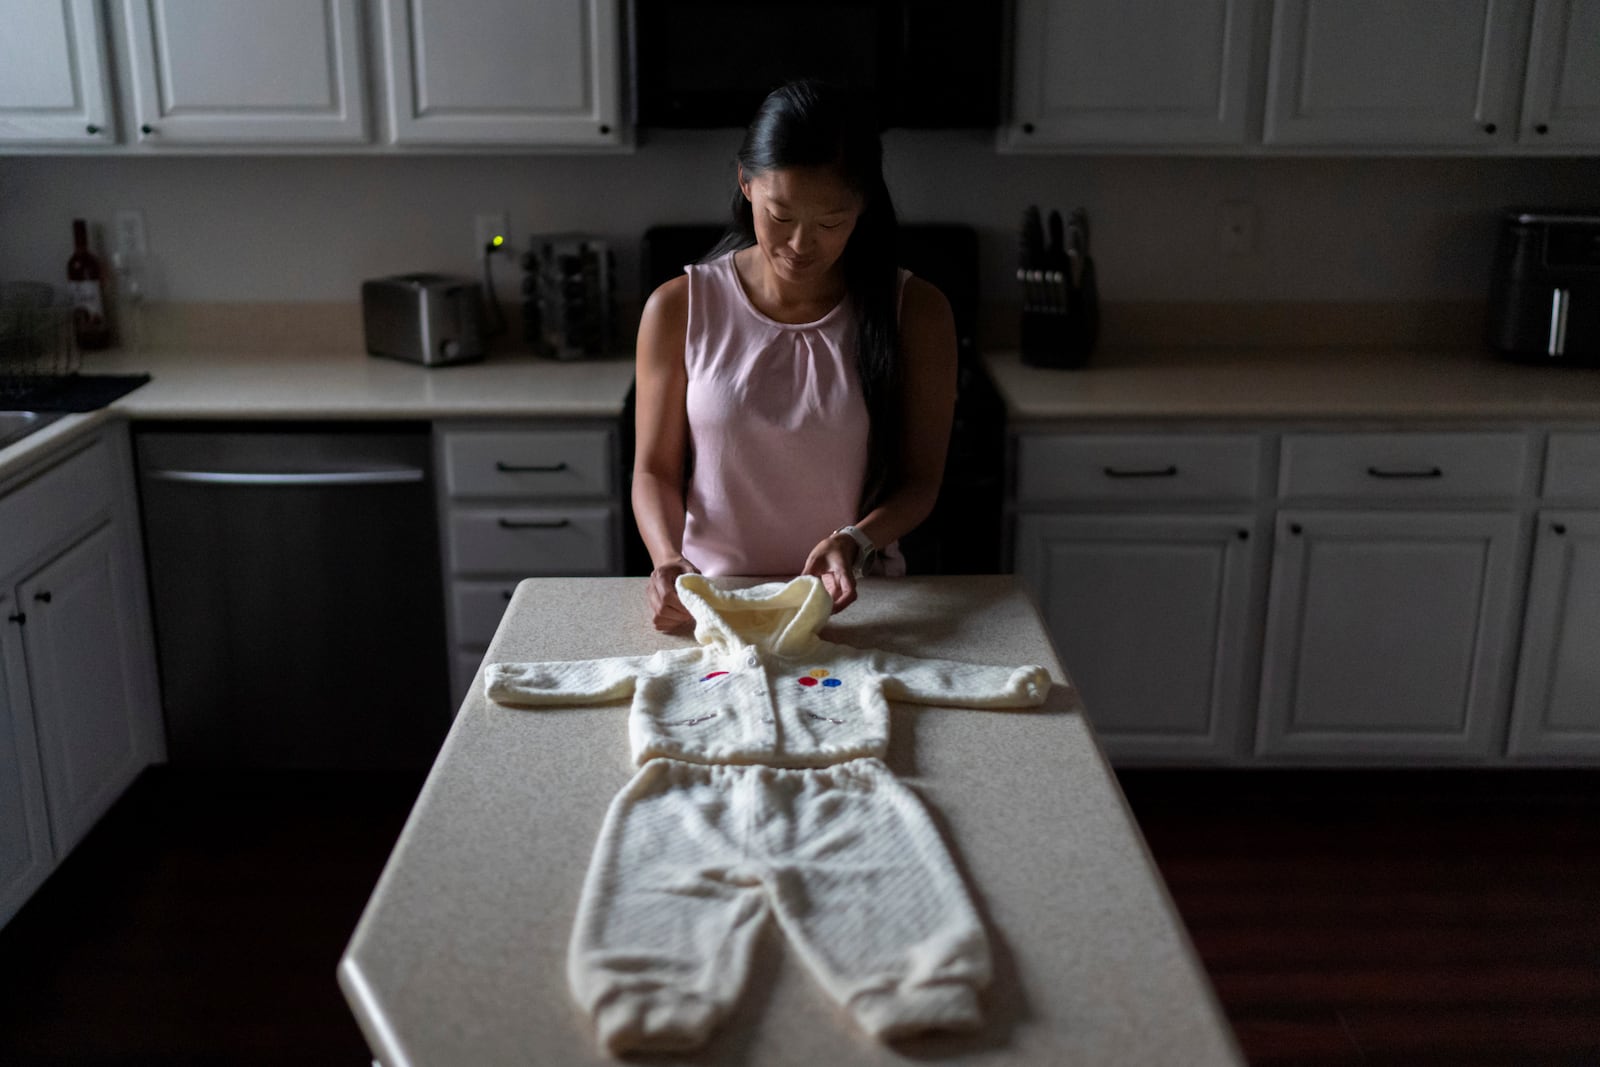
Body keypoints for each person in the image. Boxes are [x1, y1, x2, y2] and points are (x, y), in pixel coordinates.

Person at [631, 79, 958, 633]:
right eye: (781, 216)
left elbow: (920, 481)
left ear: (863, 206)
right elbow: (654, 470)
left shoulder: (916, 312)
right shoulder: (678, 307)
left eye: (831, 223)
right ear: (746, 184)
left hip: (858, 607)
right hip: (713, 606)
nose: (802, 245)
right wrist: (667, 559)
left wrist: (857, 541)